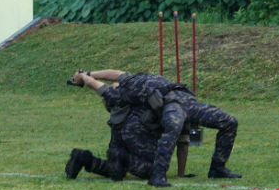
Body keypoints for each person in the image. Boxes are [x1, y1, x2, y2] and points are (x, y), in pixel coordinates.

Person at [69, 69, 241, 187]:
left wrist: (86, 76)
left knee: (228, 121)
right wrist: (87, 76)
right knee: (224, 121)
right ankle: (156, 174)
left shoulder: (127, 88)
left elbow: (105, 84)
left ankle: (216, 168)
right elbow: (111, 78)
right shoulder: (129, 86)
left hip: (180, 101)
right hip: (181, 101)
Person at [65, 75, 194, 181]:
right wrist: (181, 174)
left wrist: (88, 75)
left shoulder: (148, 85)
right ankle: (123, 157)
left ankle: (85, 159)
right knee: (151, 170)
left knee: (117, 169)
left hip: (119, 124)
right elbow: (182, 145)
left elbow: (115, 80)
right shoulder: (184, 109)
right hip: (138, 129)